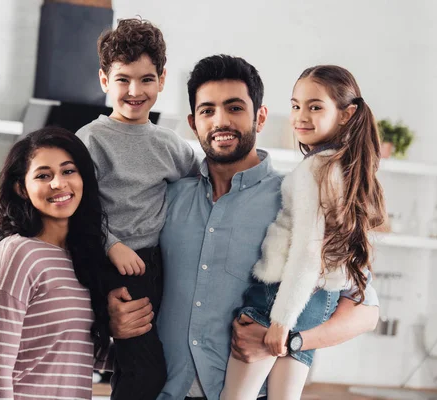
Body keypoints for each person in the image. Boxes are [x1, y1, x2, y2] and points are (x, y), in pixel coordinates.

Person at [107, 55, 380, 400]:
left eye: (235, 108)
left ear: (260, 117)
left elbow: (365, 311)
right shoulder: (168, 198)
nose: (221, 121)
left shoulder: (295, 198)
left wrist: (290, 340)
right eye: (207, 111)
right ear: (193, 123)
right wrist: (113, 314)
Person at [220, 65, 386, 399]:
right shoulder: (346, 168)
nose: (301, 116)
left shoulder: (316, 167)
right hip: (319, 302)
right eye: (296, 105)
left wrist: (281, 320)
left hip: (281, 297)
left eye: (315, 106)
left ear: (346, 114)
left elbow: (308, 249)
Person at [76, 17, 201, 400]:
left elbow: (203, 190)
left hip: (159, 265)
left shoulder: (172, 146)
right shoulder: (90, 140)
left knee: (157, 365)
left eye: (146, 79)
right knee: (144, 370)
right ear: (104, 81)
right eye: (123, 79)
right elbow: (78, 210)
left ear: (162, 80)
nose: (135, 90)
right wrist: (111, 244)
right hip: (115, 265)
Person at [0, 127, 111, 400]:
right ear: (22, 188)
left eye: (69, 171)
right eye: (44, 175)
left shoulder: (83, 258)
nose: (58, 183)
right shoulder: (17, 253)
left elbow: (75, 348)